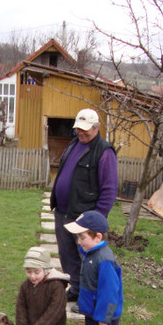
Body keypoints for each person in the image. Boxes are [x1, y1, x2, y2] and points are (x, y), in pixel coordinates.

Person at [50, 108, 119, 303]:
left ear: (97, 127)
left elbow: (109, 189)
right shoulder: (74, 144)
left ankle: (89, 298)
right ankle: (76, 289)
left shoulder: (104, 152)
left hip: (84, 217)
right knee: (68, 256)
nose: (81, 132)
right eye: (78, 128)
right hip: (63, 212)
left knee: (87, 259)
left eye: (86, 129)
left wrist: (96, 220)